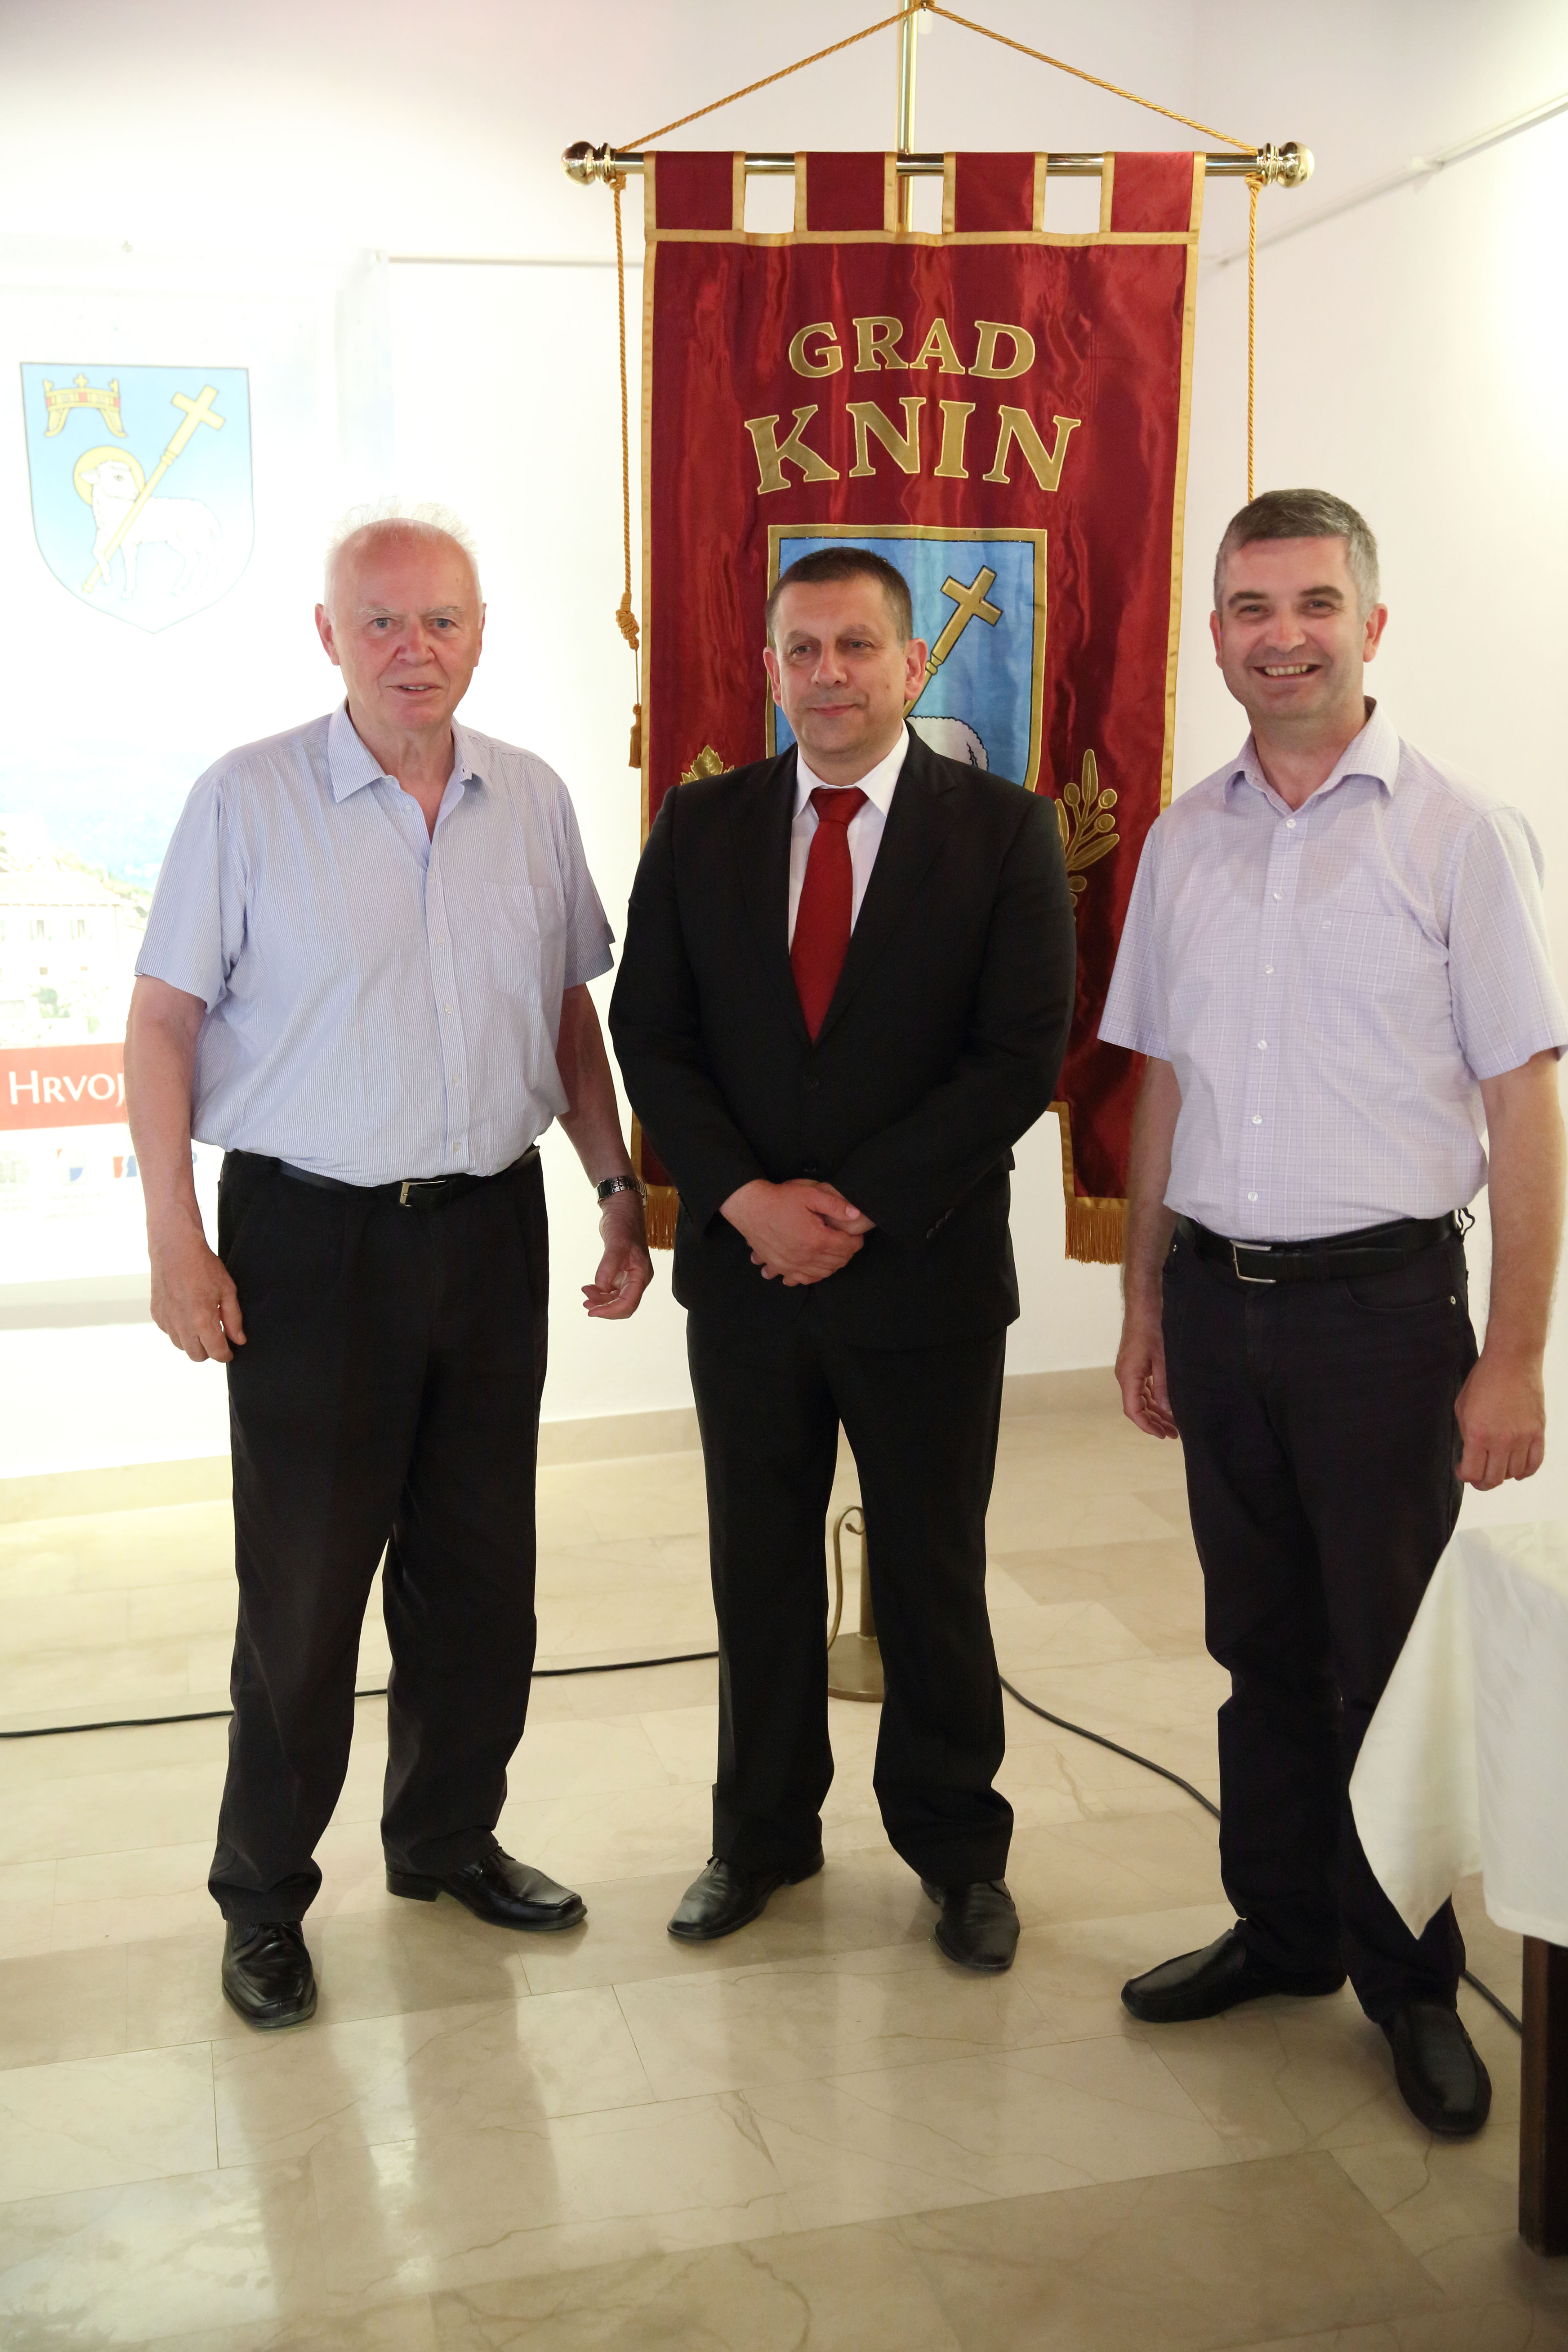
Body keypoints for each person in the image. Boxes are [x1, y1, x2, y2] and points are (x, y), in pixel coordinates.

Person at [125, 502, 653, 2030]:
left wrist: (615, 1184)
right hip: (312, 1243)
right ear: (329, 637)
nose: (413, 649)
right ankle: (263, 1901)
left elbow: (564, 1014)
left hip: (490, 1229)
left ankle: (445, 1839)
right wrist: (174, 1234)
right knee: (304, 1598)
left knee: (482, 1578)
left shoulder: (531, 797)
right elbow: (160, 1024)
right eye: (381, 621)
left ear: (479, 636)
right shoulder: (247, 800)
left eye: (442, 621)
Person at [1101, 488, 1567, 2136]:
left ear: (1371, 624)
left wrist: (1514, 1356)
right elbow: (1166, 1086)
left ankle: (1409, 1982)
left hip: (1384, 1315)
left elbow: (1524, 1106)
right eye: (1251, 608)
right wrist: (1145, 1300)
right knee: (1259, 1649)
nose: (1281, 636)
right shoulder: (1184, 839)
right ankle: (1284, 1928)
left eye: (1313, 605)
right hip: (1220, 1305)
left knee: (1386, 1661)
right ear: (1217, 634)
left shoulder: (1460, 834)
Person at [608, 548, 1076, 1972]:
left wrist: (854, 1206)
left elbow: (1018, 1059)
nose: (830, 674)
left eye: (859, 646)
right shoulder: (700, 825)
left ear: (912, 662)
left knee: (932, 1572)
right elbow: (652, 1034)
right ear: (769, 669)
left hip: (925, 1277)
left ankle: (957, 1851)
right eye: (803, 650)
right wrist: (749, 1200)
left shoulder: (1005, 831)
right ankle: (759, 1836)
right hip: (748, 1278)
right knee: (757, 1568)